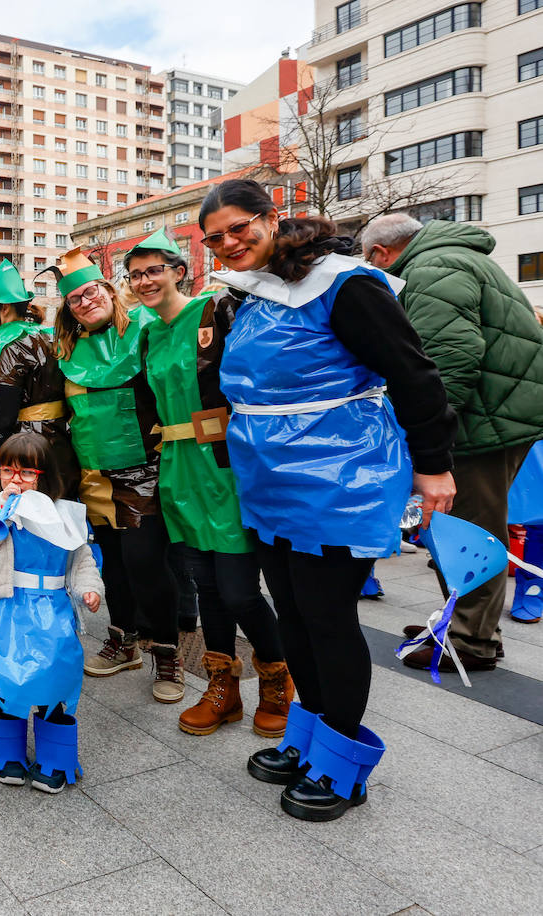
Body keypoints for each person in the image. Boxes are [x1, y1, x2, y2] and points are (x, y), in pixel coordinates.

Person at [205, 179, 456, 821]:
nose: (229, 243)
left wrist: (434, 467)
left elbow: (412, 371)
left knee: (326, 615)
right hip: (271, 479)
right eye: (216, 238)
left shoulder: (345, 284)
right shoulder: (248, 297)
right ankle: (308, 737)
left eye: (239, 227)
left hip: (338, 476)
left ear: (269, 217)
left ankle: (342, 765)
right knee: (290, 610)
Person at [129, 229, 293, 738]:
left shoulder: (215, 312)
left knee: (240, 591)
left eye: (155, 269)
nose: (145, 281)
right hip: (179, 468)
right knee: (204, 587)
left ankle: (277, 681)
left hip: (225, 465)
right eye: (135, 275)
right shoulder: (149, 333)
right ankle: (223, 691)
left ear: (179, 270)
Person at [362, 214, 543, 671]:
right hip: (495, 413)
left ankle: (470, 642)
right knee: (460, 526)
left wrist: (428, 439)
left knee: (469, 530)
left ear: (382, 254)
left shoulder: (431, 269)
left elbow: (446, 360)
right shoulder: (452, 258)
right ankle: (462, 625)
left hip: (482, 423)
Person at [52, 242, 182, 703]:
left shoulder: (148, 331)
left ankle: (167, 653)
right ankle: (123, 641)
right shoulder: (67, 349)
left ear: (108, 290)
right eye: (75, 298)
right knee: (118, 568)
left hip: (144, 470)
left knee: (148, 564)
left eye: (91, 292)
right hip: (93, 476)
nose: (85, 302)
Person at [0, 432, 103, 794]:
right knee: (7, 679)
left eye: (26, 472)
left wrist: (90, 589)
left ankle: (56, 759)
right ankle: (7, 753)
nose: (15, 479)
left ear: (44, 476)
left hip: (52, 610)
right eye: (7, 470)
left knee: (56, 679)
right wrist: (1, 510)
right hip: (7, 608)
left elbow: (83, 559)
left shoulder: (66, 515)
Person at [0, 259, 78, 497]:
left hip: (29, 449)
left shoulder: (8, 344)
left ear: (5, 309)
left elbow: (3, 418)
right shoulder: (45, 335)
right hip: (62, 439)